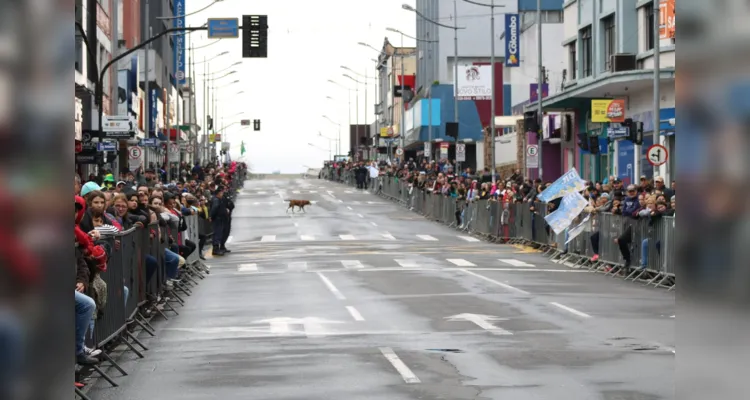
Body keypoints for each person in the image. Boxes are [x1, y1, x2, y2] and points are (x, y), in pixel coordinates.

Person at [209, 186, 230, 256]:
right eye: (221, 193)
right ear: (218, 193)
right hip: (217, 219)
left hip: (221, 219)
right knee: (217, 233)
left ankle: (218, 248)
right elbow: (214, 208)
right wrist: (211, 216)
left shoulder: (219, 199)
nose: (222, 194)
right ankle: (215, 249)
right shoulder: (216, 200)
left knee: (220, 233)